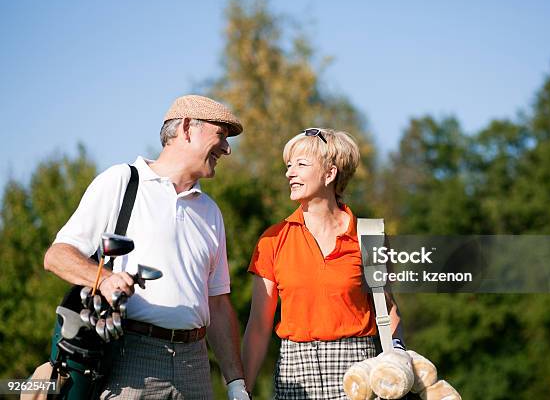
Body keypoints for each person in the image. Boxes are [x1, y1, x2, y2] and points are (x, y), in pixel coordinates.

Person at [44, 95, 251, 399]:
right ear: (187, 128)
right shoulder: (122, 181)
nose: (227, 148)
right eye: (220, 135)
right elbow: (57, 256)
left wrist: (236, 384)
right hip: (132, 358)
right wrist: (103, 279)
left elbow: (218, 304)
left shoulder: (210, 211)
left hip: (195, 363)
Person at [242, 128, 404, 399]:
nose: (289, 173)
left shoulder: (370, 236)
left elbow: (388, 312)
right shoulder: (272, 239)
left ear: (330, 174)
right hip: (294, 375)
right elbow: (258, 326)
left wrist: (397, 360)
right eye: (289, 165)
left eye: (301, 165)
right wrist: (241, 389)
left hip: (359, 375)